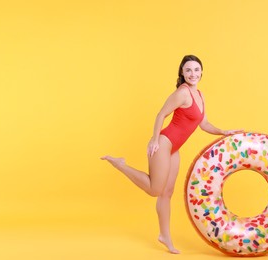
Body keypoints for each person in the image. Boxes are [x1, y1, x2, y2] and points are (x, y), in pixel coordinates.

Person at [101, 55, 242, 254]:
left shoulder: (199, 95)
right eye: (188, 70)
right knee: (154, 189)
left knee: (167, 193)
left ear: (202, 72)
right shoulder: (182, 93)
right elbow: (161, 114)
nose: (193, 74)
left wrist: (223, 132)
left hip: (174, 149)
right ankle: (120, 164)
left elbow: (203, 124)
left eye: (196, 69)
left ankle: (164, 235)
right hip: (164, 144)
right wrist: (154, 139)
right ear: (182, 74)